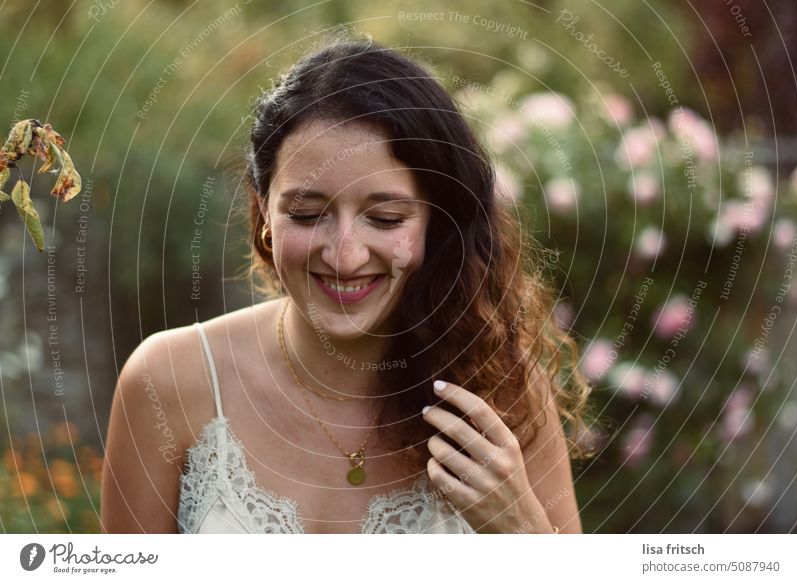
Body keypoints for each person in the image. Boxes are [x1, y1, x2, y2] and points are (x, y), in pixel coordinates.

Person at [101, 35, 593, 534]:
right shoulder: (165, 384)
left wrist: (524, 532)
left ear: (434, 224)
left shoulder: (502, 388)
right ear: (263, 212)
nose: (344, 255)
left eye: (384, 218)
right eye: (308, 214)